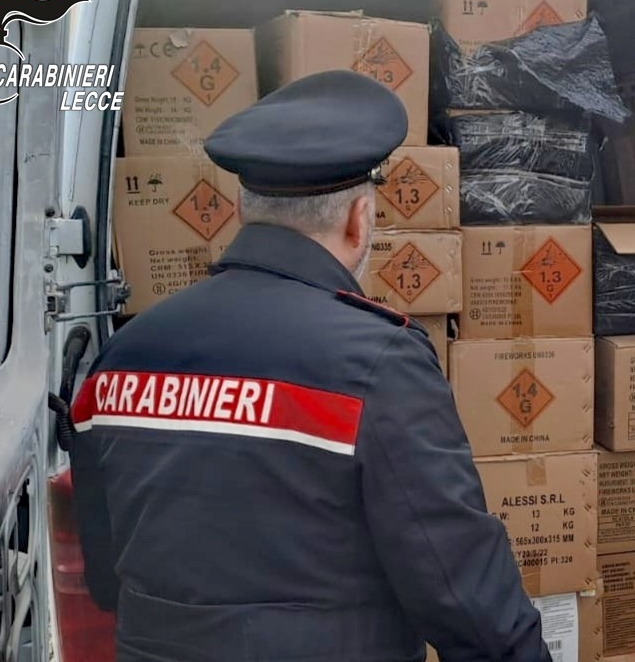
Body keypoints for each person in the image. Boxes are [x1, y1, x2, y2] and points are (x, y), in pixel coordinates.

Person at [69, 70, 550, 662]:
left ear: (242, 209)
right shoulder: (376, 363)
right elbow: (463, 594)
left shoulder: (122, 356)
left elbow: (106, 576)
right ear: (359, 219)